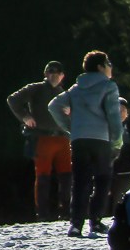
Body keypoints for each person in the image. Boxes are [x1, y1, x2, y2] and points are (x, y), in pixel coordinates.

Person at [49, 51, 123, 238]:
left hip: (79, 139)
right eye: (108, 63)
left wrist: (71, 127)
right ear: (100, 67)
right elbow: (114, 116)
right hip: (101, 139)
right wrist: (117, 142)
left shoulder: (76, 89)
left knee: (81, 181)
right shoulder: (108, 86)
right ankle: (95, 220)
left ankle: (76, 224)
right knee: (103, 179)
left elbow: (54, 106)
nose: (111, 67)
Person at [6, 62, 72, 221]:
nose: (55, 74)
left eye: (58, 72)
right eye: (51, 71)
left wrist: (71, 112)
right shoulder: (35, 89)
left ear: (63, 76)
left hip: (63, 138)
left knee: (66, 177)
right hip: (42, 138)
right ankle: (43, 214)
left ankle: (66, 212)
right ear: (45, 74)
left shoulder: (65, 94)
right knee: (43, 177)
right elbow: (13, 99)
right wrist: (25, 117)